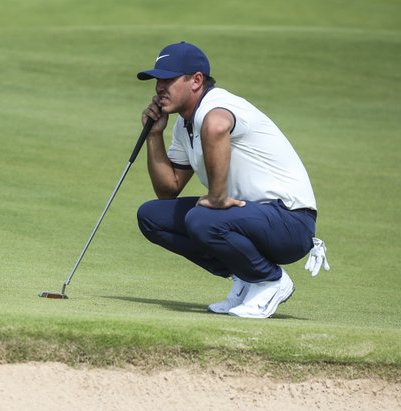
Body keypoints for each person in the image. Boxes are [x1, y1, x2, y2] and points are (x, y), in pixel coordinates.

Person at [135, 41, 328, 318]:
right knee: (152, 216)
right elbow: (168, 189)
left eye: (169, 79)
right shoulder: (183, 124)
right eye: (157, 81)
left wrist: (216, 197)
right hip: (250, 219)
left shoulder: (216, 105)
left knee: (201, 219)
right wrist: (154, 136)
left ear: (196, 80)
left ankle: (270, 280)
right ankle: (246, 275)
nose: (159, 88)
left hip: (291, 222)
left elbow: (216, 126)